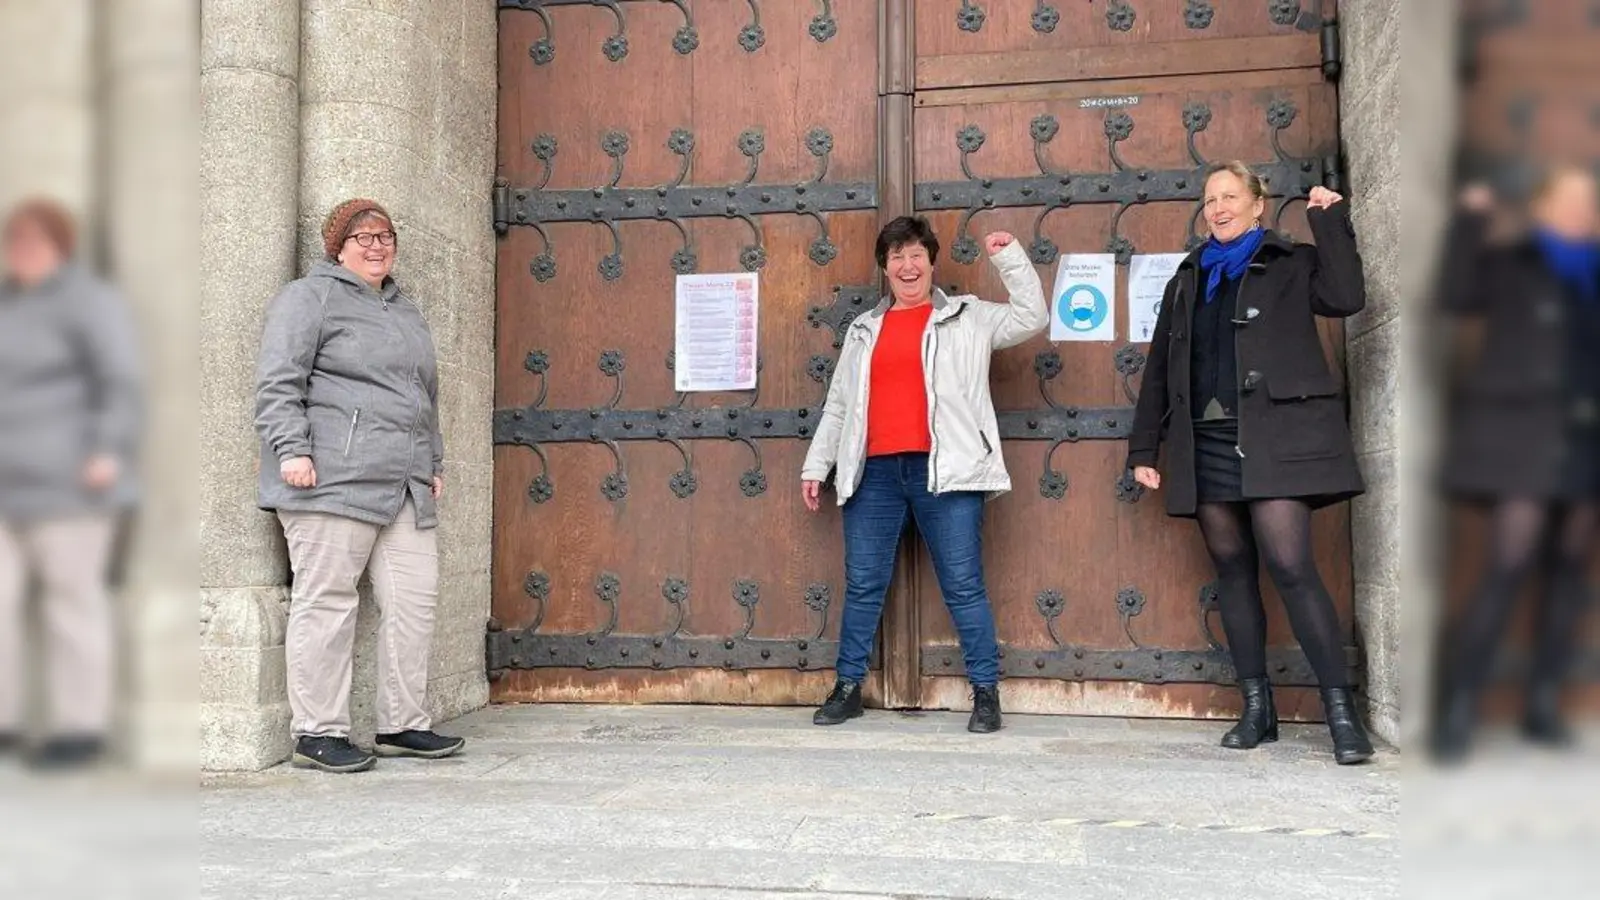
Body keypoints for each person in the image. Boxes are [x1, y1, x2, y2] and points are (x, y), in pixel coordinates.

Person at [1126, 161, 1374, 765]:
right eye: (1210, 199)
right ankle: (1257, 709)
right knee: (1233, 569)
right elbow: (1161, 365)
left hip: (1276, 437)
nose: (1218, 207)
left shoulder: (1291, 261)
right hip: (1206, 441)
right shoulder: (1188, 277)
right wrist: (1142, 449)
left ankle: (1341, 714)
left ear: (1257, 204)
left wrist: (1330, 221)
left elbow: (1346, 297)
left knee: (1292, 566)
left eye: (1230, 196)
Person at [801, 216, 1048, 733]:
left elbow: (1031, 316)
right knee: (864, 583)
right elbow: (841, 404)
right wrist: (817, 465)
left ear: (932, 261)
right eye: (896, 257)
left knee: (962, 584)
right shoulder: (865, 329)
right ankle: (847, 688)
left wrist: (1009, 258)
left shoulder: (969, 317)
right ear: (884, 268)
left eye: (916, 254)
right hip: (875, 474)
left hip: (949, 473)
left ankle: (985, 694)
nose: (907, 265)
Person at [255, 198, 463, 773]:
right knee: (327, 603)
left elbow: (424, 398)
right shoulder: (309, 297)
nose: (376, 246)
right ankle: (317, 732)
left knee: (415, 602)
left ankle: (403, 724)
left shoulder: (405, 310)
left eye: (385, 236)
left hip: (403, 483)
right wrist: (291, 449)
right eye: (363, 237)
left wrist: (433, 462)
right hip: (330, 479)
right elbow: (277, 380)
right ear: (338, 246)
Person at [1430, 166, 1600, 762]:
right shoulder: (1512, 262)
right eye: (1570, 199)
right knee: (1507, 565)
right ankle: (1457, 708)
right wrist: (1471, 218)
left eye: (1589, 201)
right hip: (1523, 435)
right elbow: (1454, 294)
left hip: (1586, 439)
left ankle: (1543, 707)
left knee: (1569, 575)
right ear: (1543, 207)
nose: (1582, 210)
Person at [0, 199, 141, 770]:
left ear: (61, 246)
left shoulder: (91, 302)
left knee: (71, 604)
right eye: (16, 242)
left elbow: (121, 380)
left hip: (69, 483)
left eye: (36, 242)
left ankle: (81, 727)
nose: (23, 252)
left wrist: (107, 449)